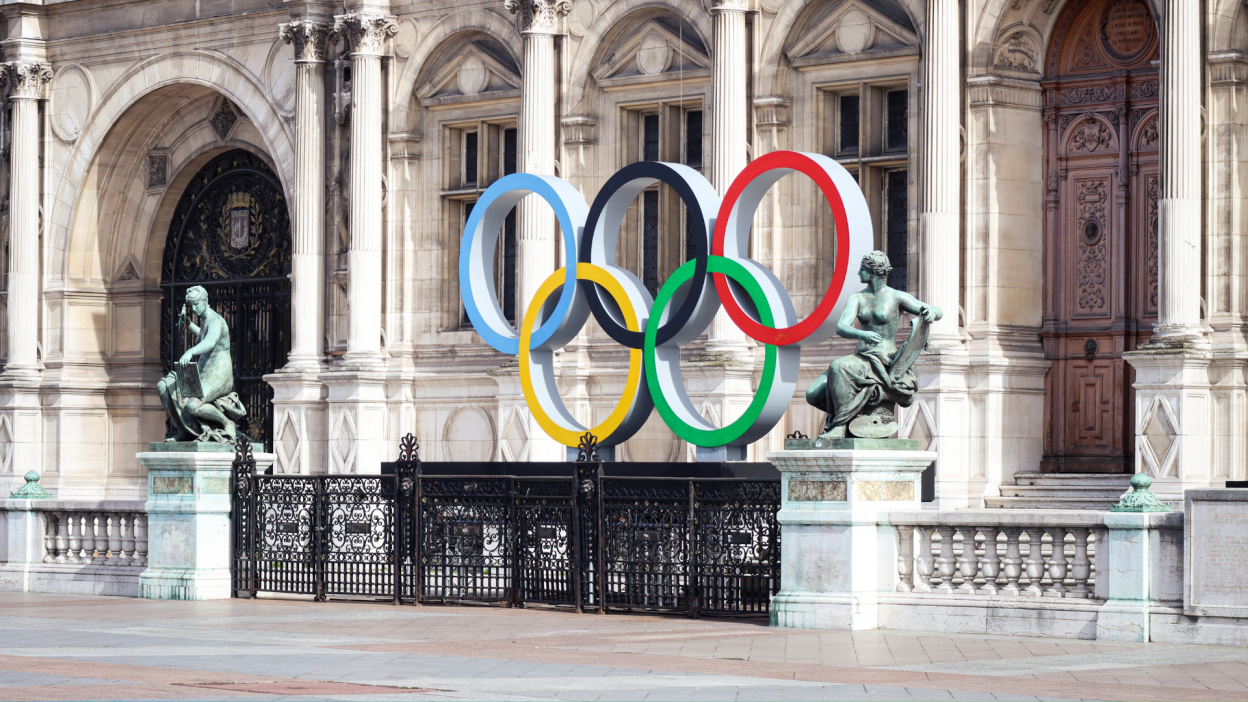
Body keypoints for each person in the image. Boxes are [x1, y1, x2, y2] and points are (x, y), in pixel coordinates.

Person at [806, 251, 942, 438]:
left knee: (838, 366)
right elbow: (841, 327)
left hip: (885, 360)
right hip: (862, 358)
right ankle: (853, 416)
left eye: (862, 269)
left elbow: (935, 310)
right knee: (813, 393)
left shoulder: (896, 297)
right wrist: (862, 334)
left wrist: (932, 312)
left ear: (873, 271)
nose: (859, 273)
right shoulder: (857, 298)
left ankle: (840, 425)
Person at [157, 286, 245, 442]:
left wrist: (190, 352)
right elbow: (204, 336)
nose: (194, 308)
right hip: (203, 374)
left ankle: (227, 423)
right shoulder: (205, 322)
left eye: (197, 304)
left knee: (193, 405)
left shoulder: (216, 320)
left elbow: (210, 342)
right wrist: (189, 324)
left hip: (219, 375)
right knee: (163, 386)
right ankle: (184, 430)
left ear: (205, 301)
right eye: (191, 305)